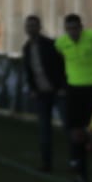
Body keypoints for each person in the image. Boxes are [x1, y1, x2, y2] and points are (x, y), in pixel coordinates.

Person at [55, 13, 92, 182]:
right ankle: (81, 175)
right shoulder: (61, 43)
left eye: (75, 27)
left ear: (81, 26)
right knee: (77, 134)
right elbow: (59, 58)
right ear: (66, 29)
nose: (73, 31)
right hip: (74, 91)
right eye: (69, 28)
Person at [22, 15, 67, 173]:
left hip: (56, 91)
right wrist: (33, 88)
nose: (31, 28)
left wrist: (62, 86)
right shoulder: (27, 48)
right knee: (44, 131)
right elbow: (29, 71)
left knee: (68, 126)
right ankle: (46, 163)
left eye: (34, 25)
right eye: (29, 26)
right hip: (42, 93)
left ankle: (76, 161)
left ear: (39, 27)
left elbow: (62, 65)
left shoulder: (50, 44)